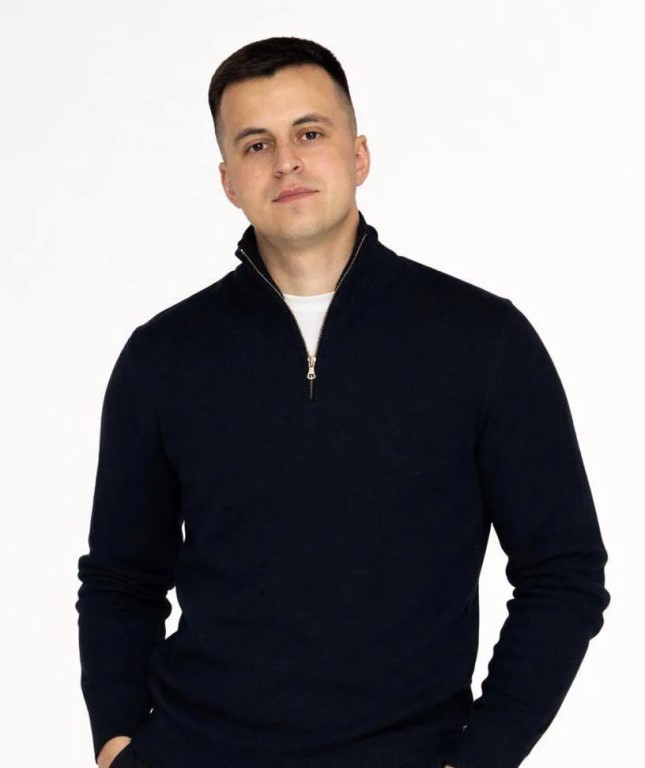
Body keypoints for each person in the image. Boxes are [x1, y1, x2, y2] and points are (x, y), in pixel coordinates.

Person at [76, 36, 611, 768]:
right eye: (256, 144)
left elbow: (563, 574)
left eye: (309, 133)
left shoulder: (483, 341)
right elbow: (120, 578)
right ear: (228, 180)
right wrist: (116, 742)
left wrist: (483, 756)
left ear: (358, 156)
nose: (285, 162)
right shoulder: (162, 357)